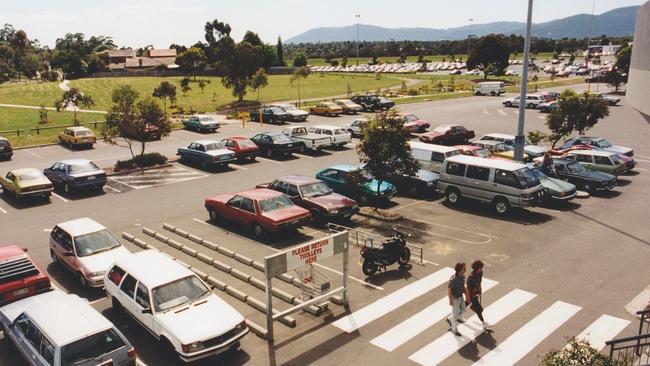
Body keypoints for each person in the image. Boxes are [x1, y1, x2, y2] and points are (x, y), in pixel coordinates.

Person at [446, 262, 469, 336]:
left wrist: (467, 295)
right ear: (459, 269)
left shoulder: (462, 276)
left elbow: (463, 287)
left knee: (463, 309)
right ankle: (454, 330)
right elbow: (449, 290)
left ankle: (451, 318)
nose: (464, 269)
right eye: (463, 268)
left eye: (465, 268)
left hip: (460, 296)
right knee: (455, 314)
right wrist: (450, 300)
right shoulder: (453, 279)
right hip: (455, 298)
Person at [467, 259, 490, 330]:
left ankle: (454, 316)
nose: (481, 269)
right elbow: (468, 288)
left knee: (467, 304)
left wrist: (480, 289)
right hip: (471, 294)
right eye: (480, 268)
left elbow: (479, 282)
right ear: (477, 268)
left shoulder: (480, 273)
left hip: (476, 291)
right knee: (479, 309)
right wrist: (470, 296)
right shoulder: (471, 277)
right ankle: (483, 323)